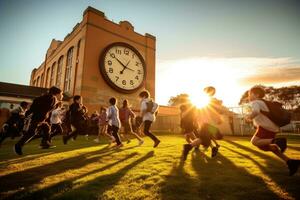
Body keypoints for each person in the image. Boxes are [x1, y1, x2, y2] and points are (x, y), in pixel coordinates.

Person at [246, 86, 300, 176]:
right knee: (268, 147)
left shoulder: (255, 102)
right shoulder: (264, 102)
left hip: (265, 127)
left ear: (256, 94)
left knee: (254, 142)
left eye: (250, 94)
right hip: (272, 128)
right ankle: (290, 162)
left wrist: (248, 118)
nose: (249, 96)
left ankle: (278, 141)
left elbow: (255, 111)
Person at [14, 87, 63, 155]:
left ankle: (45, 143)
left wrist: (27, 114)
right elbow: (46, 109)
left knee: (46, 128)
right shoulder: (53, 98)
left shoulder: (43, 98)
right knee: (32, 133)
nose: (62, 96)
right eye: (61, 94)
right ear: (57, 94)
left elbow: (34, 108)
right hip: (39, 118)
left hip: (37, 118)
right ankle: (18, 145)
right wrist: (56, 105)